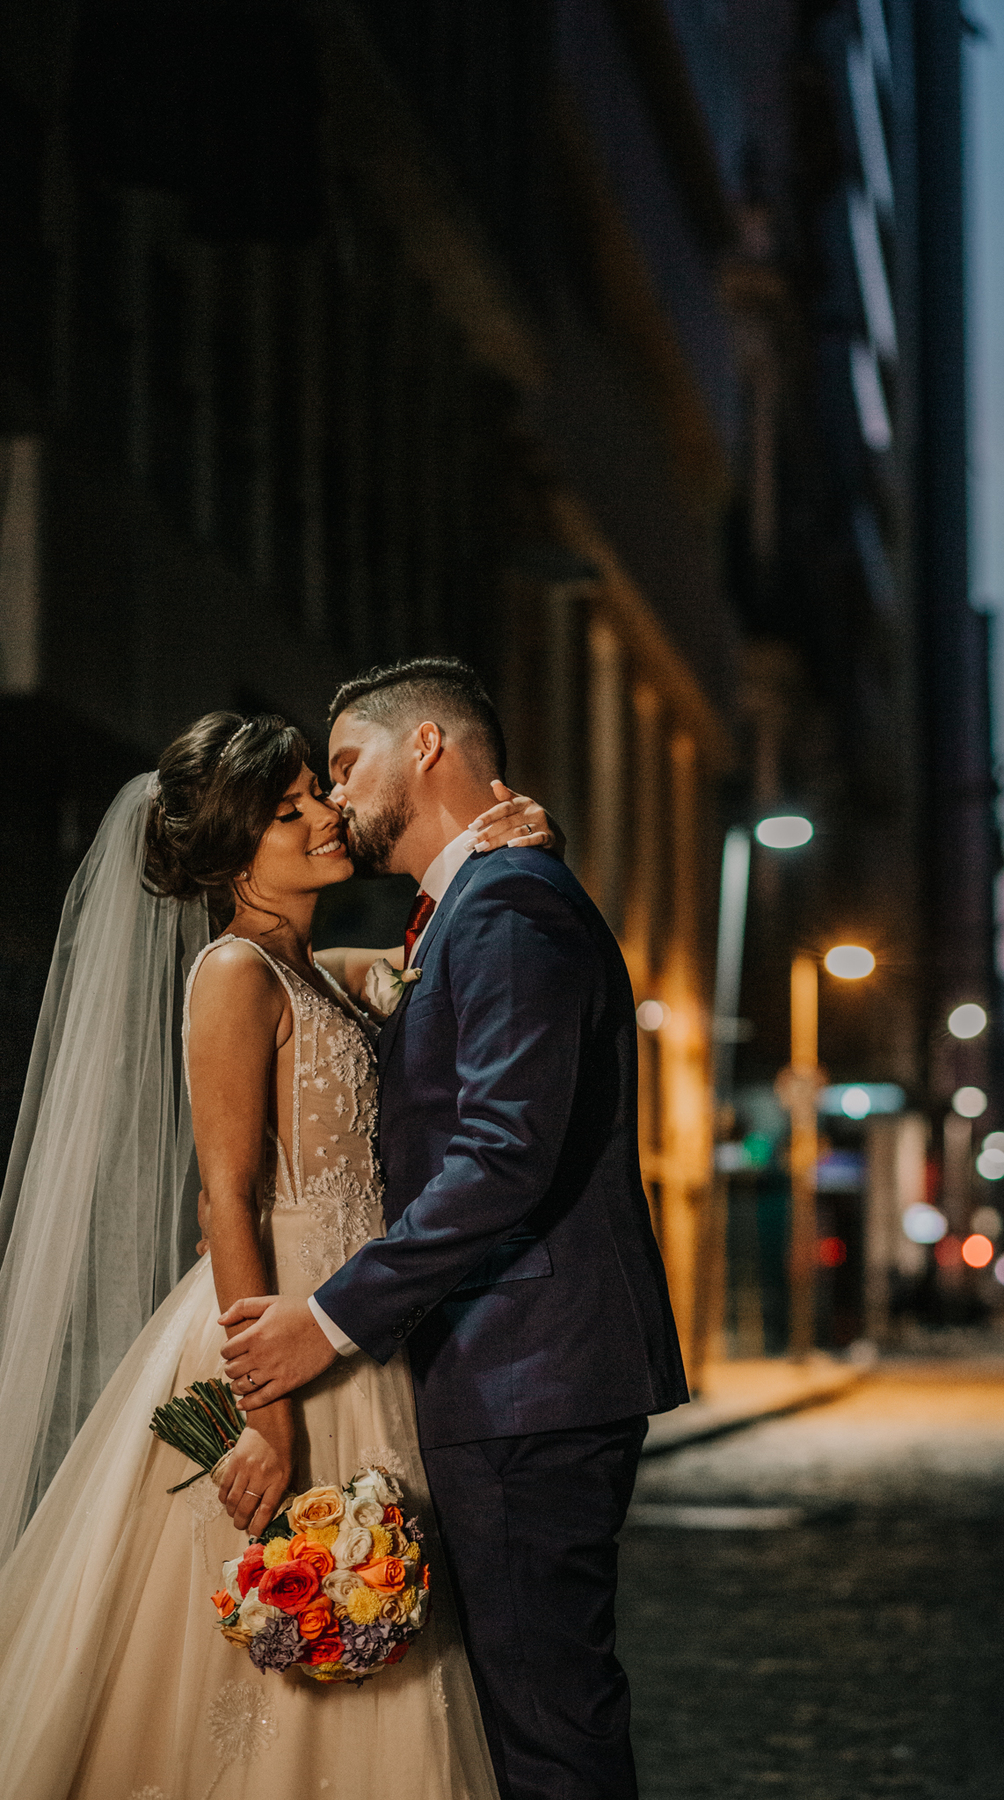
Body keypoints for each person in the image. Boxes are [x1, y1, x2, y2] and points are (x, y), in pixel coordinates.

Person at [0, 700, 556, 1798]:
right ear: (230, 850)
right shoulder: (233, 975)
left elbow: (446, 951)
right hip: (277, 1330)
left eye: (315, 791)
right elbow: (226, 1197)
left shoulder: (320, 970)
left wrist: (510, 841)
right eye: (287, 809)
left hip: (358, 1324)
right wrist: (264, 1417)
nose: (324, 815)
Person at [221, 657, 689, 1800]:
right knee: (520, 1717)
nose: (335, 798)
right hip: (507, 1374)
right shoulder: (468, 906)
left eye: (345, 764)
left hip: (530, 1379)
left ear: (425, 745)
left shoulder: (510, 903)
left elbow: (502, 1158)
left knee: (548, 1729)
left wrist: (326, 1320)